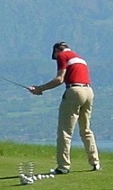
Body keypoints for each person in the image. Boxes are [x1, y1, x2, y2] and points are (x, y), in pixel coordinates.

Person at [28, 41, 101, 174]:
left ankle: (63, 166)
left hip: (74, 91)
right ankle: (95, 162)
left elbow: (59, 79)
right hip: (89, 92)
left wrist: (40, 88)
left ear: (57, 50)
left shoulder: (63, 56)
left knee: (65, 131)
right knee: (86, 130)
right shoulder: (80, 58)